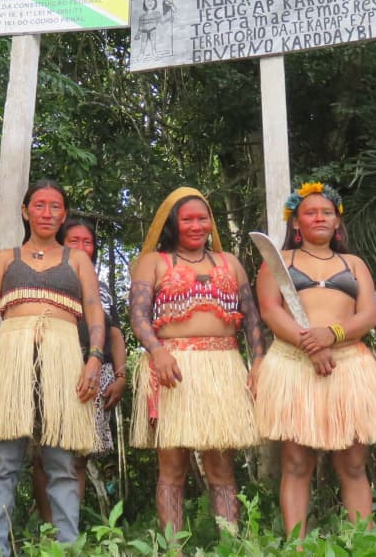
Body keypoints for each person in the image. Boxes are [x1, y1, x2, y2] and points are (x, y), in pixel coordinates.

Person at [0, 180, 110, 556]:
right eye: (40, 206)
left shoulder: (76, 259)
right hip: (10, 354)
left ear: (63, 214)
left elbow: (95, 310)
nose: (47, 214)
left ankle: (65, 548)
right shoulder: (6, 258)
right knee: (4, 461)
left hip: (64, 354)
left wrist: (94, 357)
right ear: (25, 210)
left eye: (55, 207)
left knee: (62, 460)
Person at [254, 182, 376, 537]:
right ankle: (297, 545)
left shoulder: (354, 263)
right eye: (311, 212)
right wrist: (310, 344)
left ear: (337, 221)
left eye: (326, 212)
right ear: (296, 222)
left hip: (349, 363)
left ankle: (362, 542)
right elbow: (270, 310)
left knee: (354, 462)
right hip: (294, 363)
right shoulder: (279, 261)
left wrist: (332, 335)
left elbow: (368, 316)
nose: (319, 217)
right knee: (297, 462)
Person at [128, 188, 264, 533]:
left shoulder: (229, 263)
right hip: (173, 368)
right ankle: (173, 549)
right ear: (173, 223)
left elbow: (250, 318)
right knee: (172, 467)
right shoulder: (155, 262)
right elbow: (138, 315)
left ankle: (231, 542)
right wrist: (157, 352)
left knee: (221, 468)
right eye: (187, 219)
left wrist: (258, 362)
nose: (196, 225)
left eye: (202, 218)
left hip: (223, 367)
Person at [30, 217, 127, 524]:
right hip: (48, 372)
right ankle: (48, 531)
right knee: (44, 455)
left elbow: (114, 332)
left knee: (79, 456)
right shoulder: (44, 275)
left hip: (93, 374)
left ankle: (66, 530)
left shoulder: (101, 286)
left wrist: (121, 376)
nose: (83, 247)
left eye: (88, 242)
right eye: (74, 241)